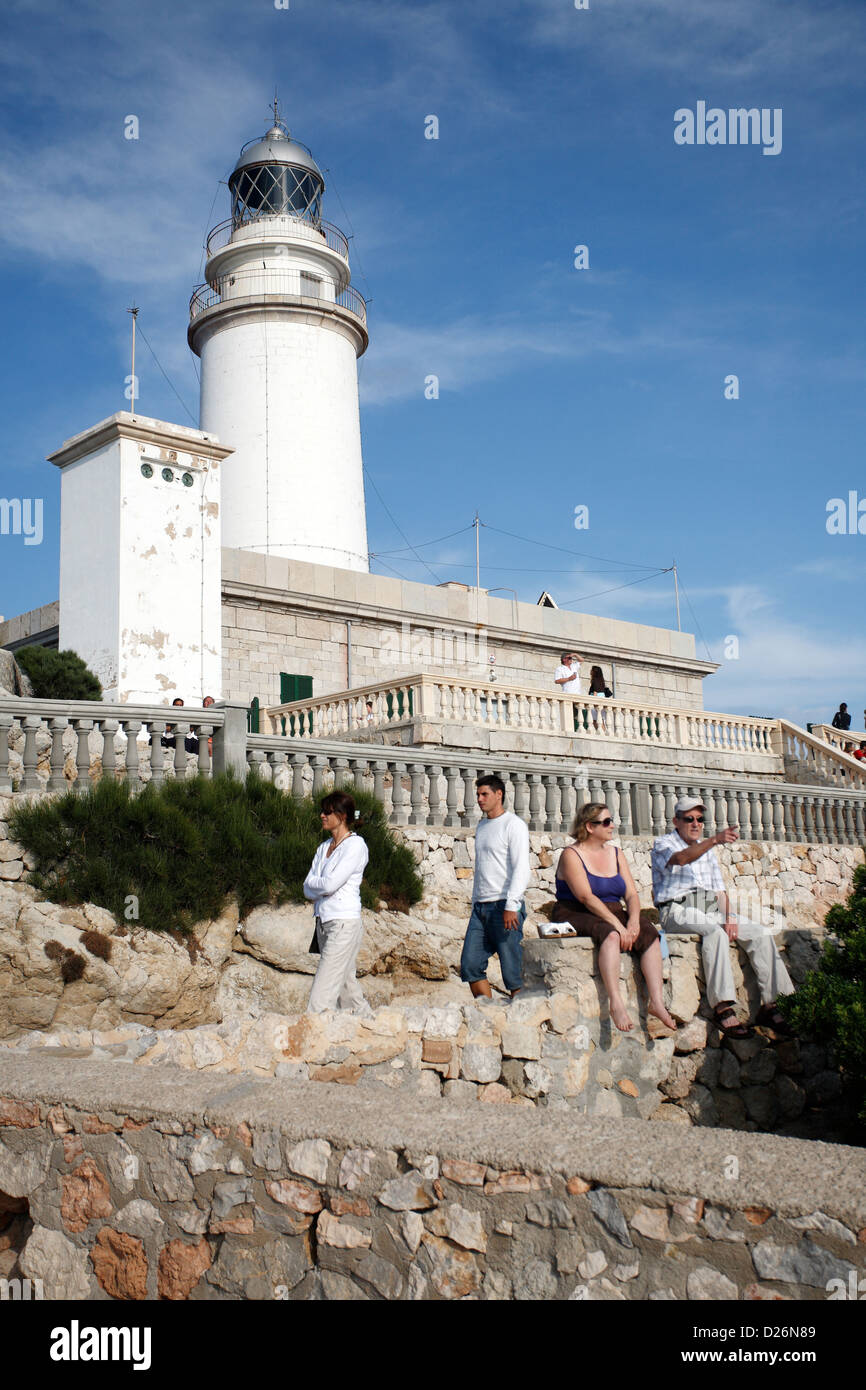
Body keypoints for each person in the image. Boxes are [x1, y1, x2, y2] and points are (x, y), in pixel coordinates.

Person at [652, 797, 795, 1038]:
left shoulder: (706, 850)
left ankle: (773, 1005)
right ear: (676, 821)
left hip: (709, 907)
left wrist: (729, 916)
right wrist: (715, 840)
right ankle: (722, 1007)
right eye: (689, 819)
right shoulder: (664, 843)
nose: (696, 823)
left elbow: (719, 890)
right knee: (713, 932)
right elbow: (682, 858)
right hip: (676, 909)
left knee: (760, 933)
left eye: (699, 819)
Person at [550, 803, 675, 1033]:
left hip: (611, 909)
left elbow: (631, 894)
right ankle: (616, 1002)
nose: (612, 826)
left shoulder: (616, 853)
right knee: (611, 934)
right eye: (606, 822)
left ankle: (656, 1002)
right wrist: (618, 925)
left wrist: (634, 921)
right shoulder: (572, 854)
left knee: (649, 934)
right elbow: (586, 897)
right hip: (575, 910)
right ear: (589, 826)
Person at [459, 775, 530, 1000]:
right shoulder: (482, 826)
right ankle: (488, 1015)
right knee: (470, 965)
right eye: (478, 795)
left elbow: (521, 867)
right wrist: (474, 903)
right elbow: (482, 868)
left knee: (513, 972)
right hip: (481, 907)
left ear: (498, 795)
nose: (479, 799)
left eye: (484, 794)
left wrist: (512, 905)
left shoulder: (514, 825)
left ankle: (522, 1019)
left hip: (505, 906)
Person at [303, 791, 372, 1015]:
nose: (322, 815)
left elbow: (330, 884)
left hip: (343, 924)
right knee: (346, 987)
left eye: (327, 811)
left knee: (321, 996)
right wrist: (319, 886)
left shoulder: (355, 846)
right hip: (323, 923)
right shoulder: (323, 848)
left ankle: (312, 1037)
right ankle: (369, 1025)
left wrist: (318, 885)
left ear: (341, 816)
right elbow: (306, 887)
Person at [588, 664, 613, 731]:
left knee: (595, 720)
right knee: (600, 720)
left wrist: (593, 701)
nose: (590, 671)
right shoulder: (601, 681)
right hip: (601, 698)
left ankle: (602, 732)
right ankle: (603, 732)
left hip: (596, 699)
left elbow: (595, 691)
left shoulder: (595, 680)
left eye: (591, 670)